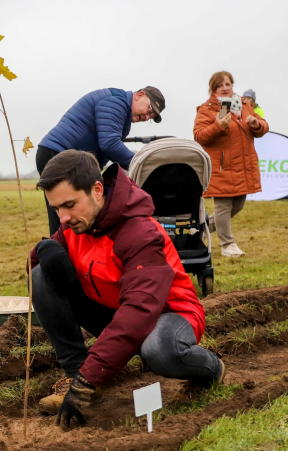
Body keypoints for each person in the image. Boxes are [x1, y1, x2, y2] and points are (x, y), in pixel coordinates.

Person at [29, 150, 224, 432]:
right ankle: (73, 373)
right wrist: (41, 253)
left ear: (97, 190)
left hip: (167, 314)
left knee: (159, 351)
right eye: (56, 209)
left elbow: (138, 311)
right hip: (115, 309)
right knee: (41, 275)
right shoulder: (76, 224)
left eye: (69, 205)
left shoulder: (140, 233)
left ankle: (212, 370)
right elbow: (40, 272)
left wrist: (90, 378)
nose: (62, 218)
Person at [36, 87, 166, 236]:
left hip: (68, 158)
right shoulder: (116, 102)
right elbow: (109, 143)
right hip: (57, 155)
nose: (147, 117)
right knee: (65, 212)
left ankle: (72, 251)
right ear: (139, 95)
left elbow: (105, 147)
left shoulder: (121, 109)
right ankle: (59, 252)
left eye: (152, 116)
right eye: (150, 110)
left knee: (78, 210)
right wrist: (141, 165)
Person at [194, 72, 268, 257]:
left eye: (228, 84)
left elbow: (263, 126)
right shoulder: (207, 109)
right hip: (221, 167)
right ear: (213, 89)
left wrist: (256, 123)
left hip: (243, 165)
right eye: (220, 86)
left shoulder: (244, 105)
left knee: (238, 205)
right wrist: (218, 126)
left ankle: (200, 232)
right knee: (223, 207)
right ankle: (228, 245)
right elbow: (199, 135)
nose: (225, 88)